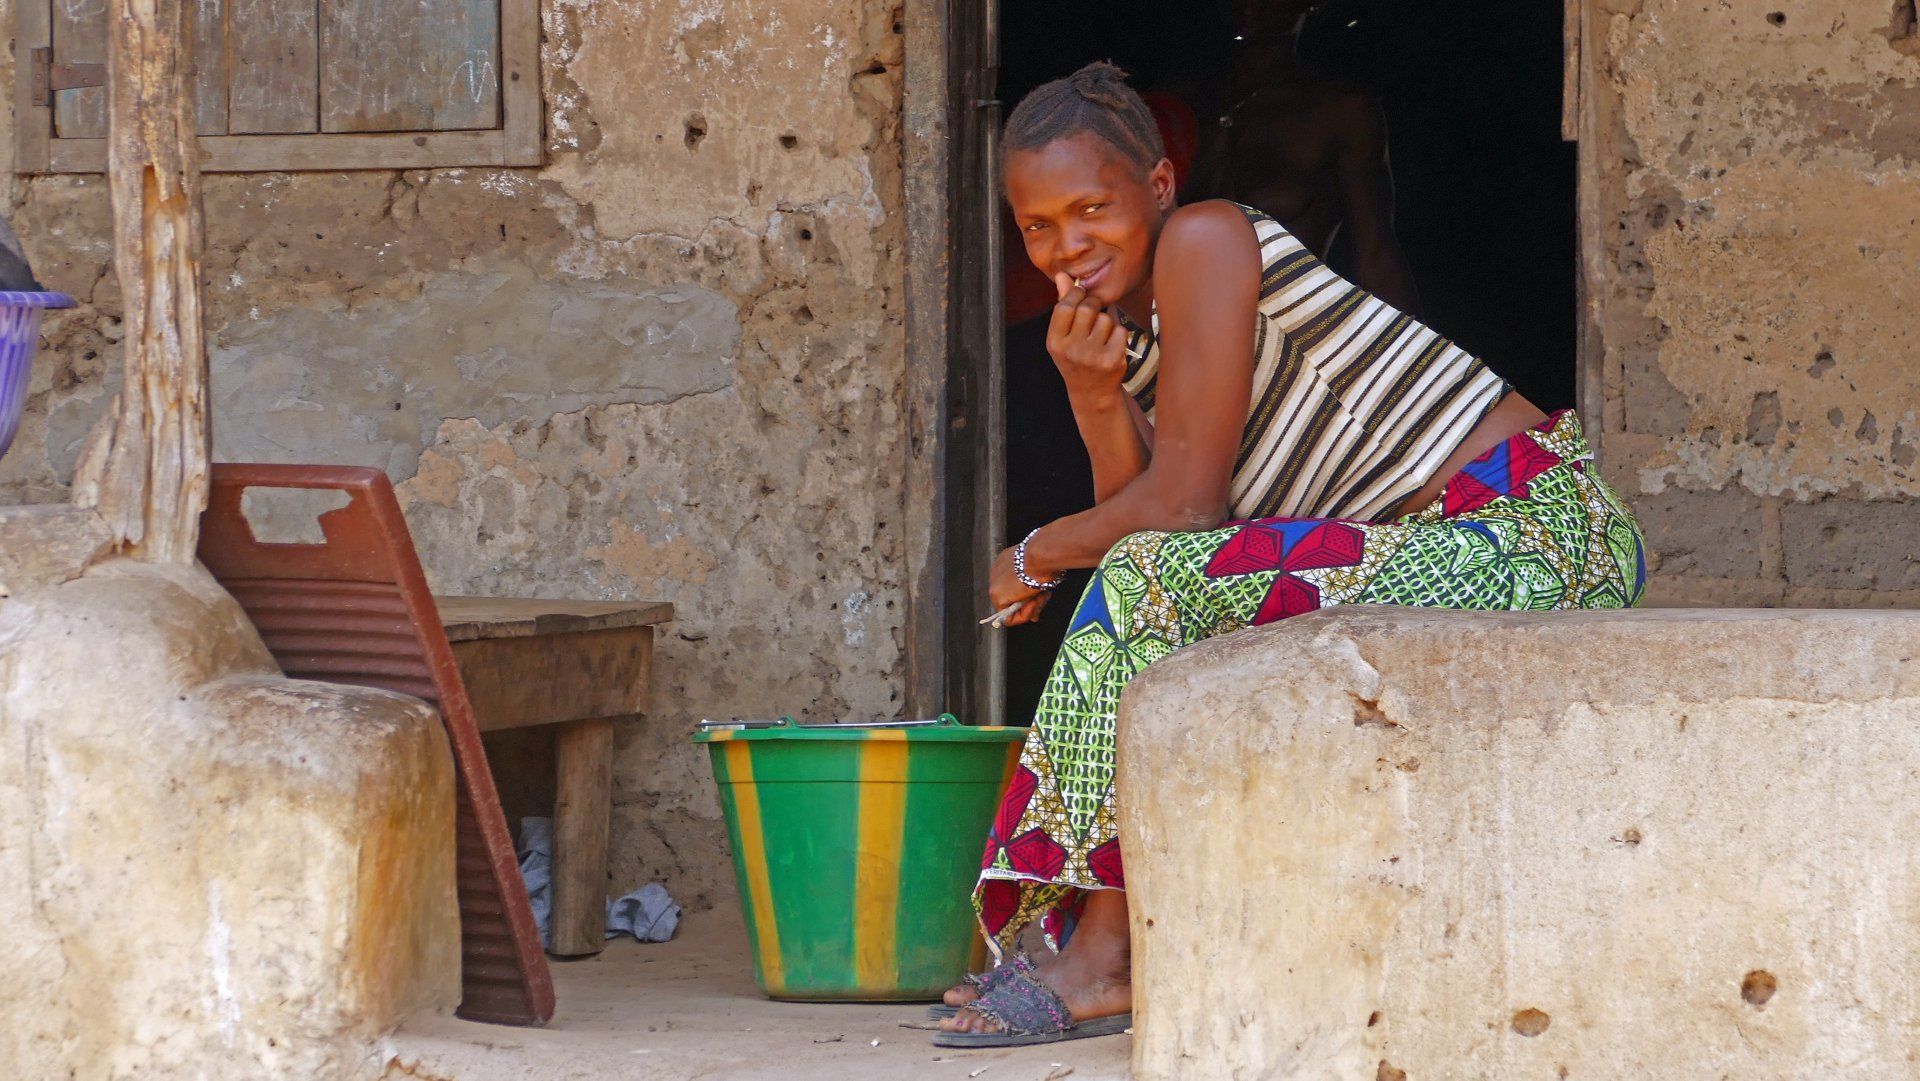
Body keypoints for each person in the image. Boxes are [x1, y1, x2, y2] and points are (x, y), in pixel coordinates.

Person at [931, 62, 1646, 1049]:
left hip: (1535, 534)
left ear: (1160, 188)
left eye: (1091, 207)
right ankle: (1102, 936)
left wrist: (1036, 553)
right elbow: (1159, 526)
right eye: (1039, 226)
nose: (1069, 245)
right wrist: (1093, 393)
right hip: (1426, 548)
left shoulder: (1206, 238)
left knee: (1144, 581)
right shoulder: (1122, 334)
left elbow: (1177, 515)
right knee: (1151, 587)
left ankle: (1101, 957)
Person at [1189, 0, 1422, 313]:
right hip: (1180, 332)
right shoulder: (1183, 102)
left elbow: (1376, 254)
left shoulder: (1338, 111)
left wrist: (1415, 358)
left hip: (1291, 333)